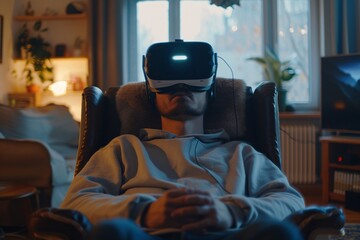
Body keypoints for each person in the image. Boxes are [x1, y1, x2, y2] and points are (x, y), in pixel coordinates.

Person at [61, 42, 305, 240]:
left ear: (210, 92)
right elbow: (76, 201)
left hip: (226, 234)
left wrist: (231, 212)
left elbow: (291, 201)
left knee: (279, 233)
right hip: (146, 234)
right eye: (168, 83)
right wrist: (143, 212)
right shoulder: (123, 148)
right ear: (151, 93)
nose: (180, 87)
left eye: (191, 80)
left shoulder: (242, 153)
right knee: (112, 233)